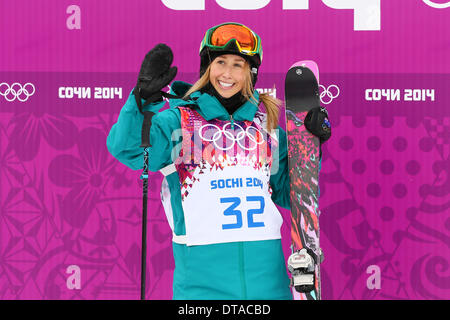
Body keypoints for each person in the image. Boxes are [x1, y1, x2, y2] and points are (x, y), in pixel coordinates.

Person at [107, 22, 328, 300]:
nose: (227, 72)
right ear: (207, 68)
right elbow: (127, 149)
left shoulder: (267, 125)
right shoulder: (179, 122)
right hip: (202, 288)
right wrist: (143, 101)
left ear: (251, 72)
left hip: (268, 284)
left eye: (238, 64)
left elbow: (292, 194)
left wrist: (309, 150)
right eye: (220, 61)